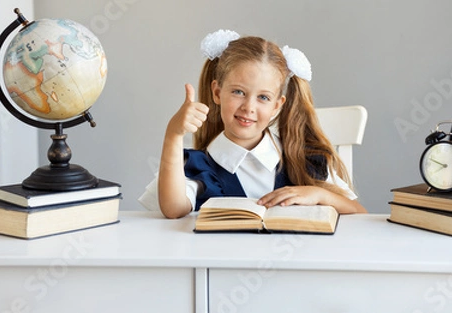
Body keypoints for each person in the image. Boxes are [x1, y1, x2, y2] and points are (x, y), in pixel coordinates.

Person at [139, 30, 367, 218]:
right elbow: (173, 209)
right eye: (238, 92)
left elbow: (359, 214)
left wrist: (320, 195)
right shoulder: (199, 166)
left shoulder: (306, 161)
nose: (249, 107)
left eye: (263, 98)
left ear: (277, 106)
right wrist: (173, 134)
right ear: (217, 93)